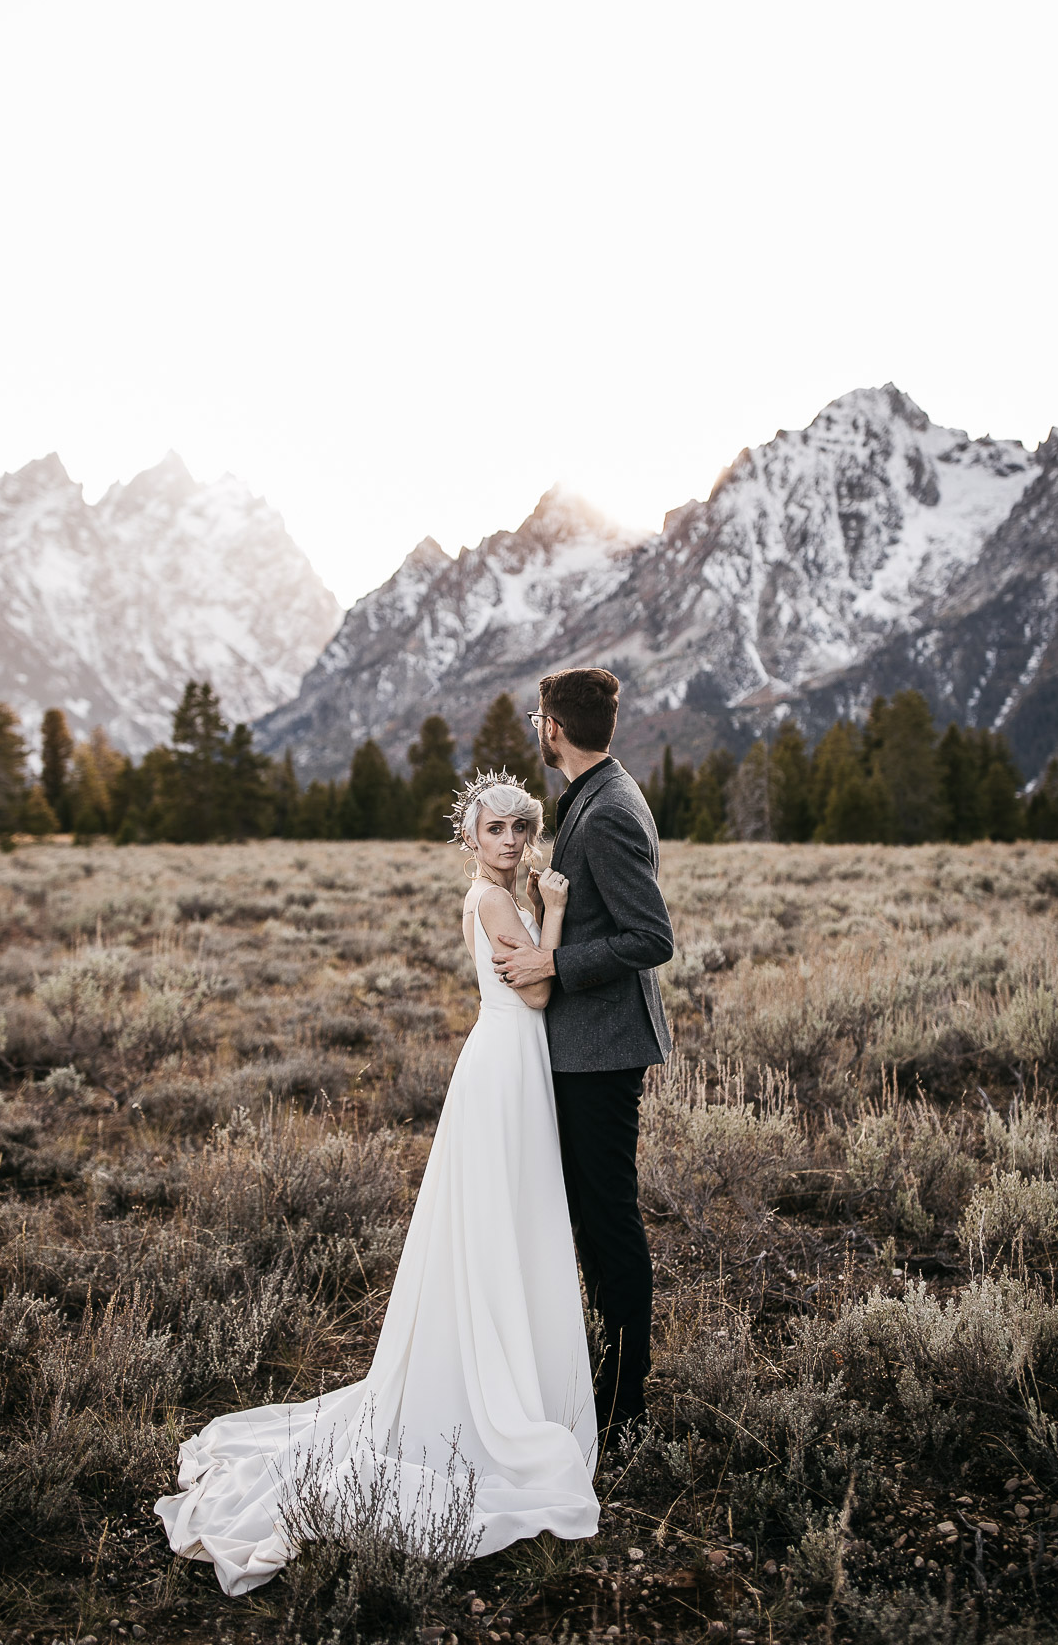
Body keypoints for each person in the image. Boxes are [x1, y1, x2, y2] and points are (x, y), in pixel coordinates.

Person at [154, 771, 598, 1596]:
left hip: (508, 1069)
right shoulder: (496, 901)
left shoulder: (503, 894)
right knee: (506, 1216)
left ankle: (503, 1362)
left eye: (519, 827)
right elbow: (534, 993)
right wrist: (560, 912)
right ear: (469, 839)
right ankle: (494, 1382)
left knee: (503, 1219)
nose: (508, 839)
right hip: (507, 1063)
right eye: (493, 829)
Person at [491, 666, 674, 1444]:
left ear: (552, 729)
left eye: (539, 718)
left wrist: (553, 964)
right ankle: (600, 1377)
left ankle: (624, 1405)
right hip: (583, 1047)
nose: (538, 727)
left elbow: (651, 937)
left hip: (601, 1052)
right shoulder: (597, 795)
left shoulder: (607, 813)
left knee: (608, 1221)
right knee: (593, 1222)